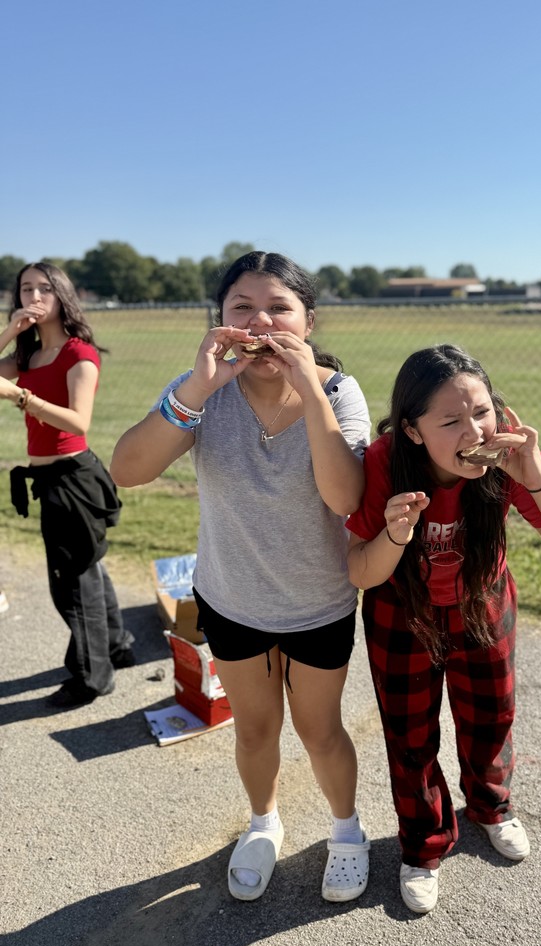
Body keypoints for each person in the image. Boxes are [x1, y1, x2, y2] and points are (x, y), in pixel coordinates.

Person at [110, 251, 372, 904]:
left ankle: (347, 830)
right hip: (231, 600)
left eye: (279, 308)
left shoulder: (339, 393)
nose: (262, 322)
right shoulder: (202, 393)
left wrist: (310, 389)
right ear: (221, 322)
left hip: (319, 604)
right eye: (242, 309)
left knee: (320, 731)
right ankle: (263, 824)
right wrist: (198, 387)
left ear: (308, 321)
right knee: (255, 731)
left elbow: (345, 498)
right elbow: (127, 469)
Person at [346, 344, 541, 913]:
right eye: (452, 420)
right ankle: (423, 843)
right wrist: (394, 533)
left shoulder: (508, 455)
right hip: (401, 610)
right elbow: (360, 571)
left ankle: (491, 806)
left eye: (482, 411)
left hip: (482, 603)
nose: (475, 429)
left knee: (492, 714)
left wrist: (534, 478)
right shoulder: (385, 460)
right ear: (413, 431)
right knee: (410, 736)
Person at [0, 262, 135, 709]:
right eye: (25, 289)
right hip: (48, 478)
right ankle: (116, 646)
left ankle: (91, 678)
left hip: (73, 479)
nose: (34, 297)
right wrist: (8, 333)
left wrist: (21, 396)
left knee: (72, 585)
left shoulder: (79, 354)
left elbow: (79, 421)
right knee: (88, 568)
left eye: (44, 288)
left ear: (62, 296)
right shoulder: (29, 355)